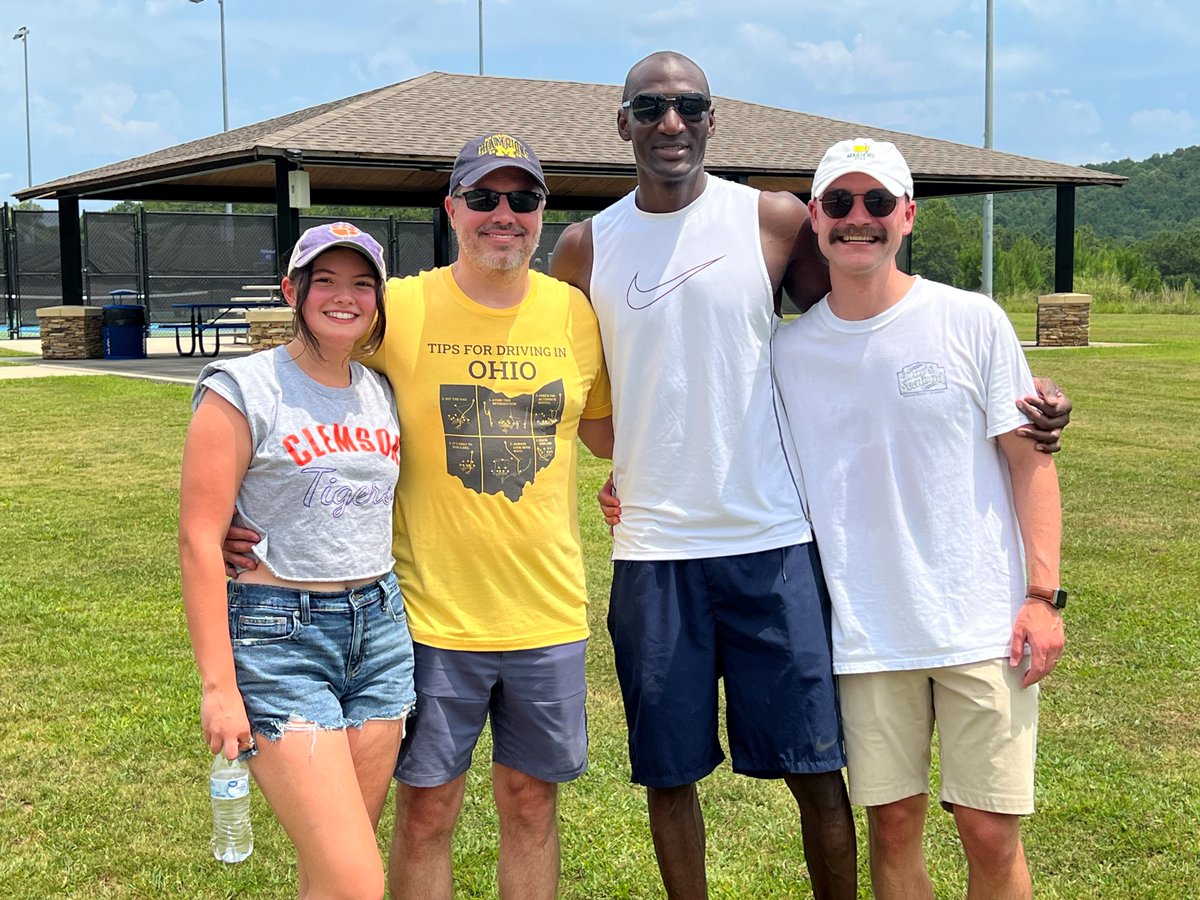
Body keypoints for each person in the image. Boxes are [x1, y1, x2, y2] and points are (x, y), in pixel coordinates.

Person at [552, 51, 1072, 899]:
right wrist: (634, 457)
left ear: (715, 121)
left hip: (774, 545)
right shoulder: (585, 245)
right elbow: (581, 398)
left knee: (817, 769)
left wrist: (1032, 400)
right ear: (622, 123)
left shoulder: (771, 220)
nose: (670, 123)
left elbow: (854, 313)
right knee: (670, 775)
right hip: (654, 549)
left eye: (689, 107)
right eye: (648, 107)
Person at [223, 133, 613, 900]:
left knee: (532, 805)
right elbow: (303, 384)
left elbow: (603, 432)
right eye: (483, 198)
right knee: (428, 810)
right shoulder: (397, 306)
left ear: (542, 213)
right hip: (426, 617)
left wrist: (638, 483)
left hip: (549, 612)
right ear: (452, 210)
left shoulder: (573, 313)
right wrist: (245, 504)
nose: (504, 215)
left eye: (523, 199)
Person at [773, 138, 1065, 899]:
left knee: (990, 830)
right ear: (815, 219)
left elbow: (1030, 460)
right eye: (839, 203)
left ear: (907, 215)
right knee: (894, 826)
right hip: (866, 630)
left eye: (876, 203)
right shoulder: (787, 353)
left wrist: (1042, 597)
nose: (857, 219)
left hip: (980, 619)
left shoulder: (971, 320)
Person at [180, 222, 416, 899]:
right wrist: (218, 688)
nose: (344, 297)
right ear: (292, 290)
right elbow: (199, 537)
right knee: (356, 882)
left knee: (333, 873)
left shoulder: (382, 390)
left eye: (362, 284)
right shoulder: (243, 388)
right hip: (279, 634)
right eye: (326, 282)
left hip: (379, 631)